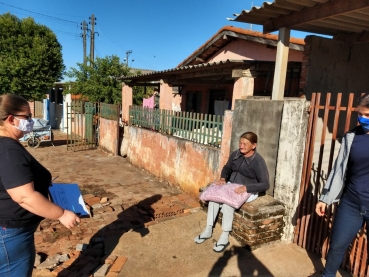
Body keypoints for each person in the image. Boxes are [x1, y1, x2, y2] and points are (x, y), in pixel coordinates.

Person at [0, 94, 80, 277]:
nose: (30, 121)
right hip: (11, 232)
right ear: (11, 119)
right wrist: (61, 214)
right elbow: (24, 196)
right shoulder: (8, 150)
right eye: (26, 117)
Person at [316, 93, 369, 277]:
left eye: (368, 115)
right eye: (360, 114)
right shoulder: (351, 137)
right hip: (351, 202)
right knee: (337, 245)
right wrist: (325, 198)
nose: (363, 119)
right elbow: (339, 168)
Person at [194, 131, 269, 252]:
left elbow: (265, 184)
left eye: (245, 144)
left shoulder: (258, 161)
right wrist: (223, 178)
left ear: (254, 145)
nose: (241, 146)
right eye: (240, 143)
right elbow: (227, 168)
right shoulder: (236, 154)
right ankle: (208, 229)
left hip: (248, 190)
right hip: (231, 186)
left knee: (228, 203)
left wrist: (247, 187)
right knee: (214, 198)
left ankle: (225, 235)